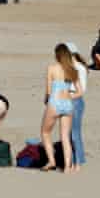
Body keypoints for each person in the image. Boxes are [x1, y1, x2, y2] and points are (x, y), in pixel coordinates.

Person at [39, 44, 78, 172]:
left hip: (55, 102)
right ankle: (67, 167)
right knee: (65, 137)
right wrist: (70, 96)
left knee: (45, 132)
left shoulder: (52, 68)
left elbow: (49, 91)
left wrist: (46, 101)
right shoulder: (72, 70)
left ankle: (51, 161)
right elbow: (79, 91)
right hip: (68, 103)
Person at [66, 42, 88, 172]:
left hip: (75, 100)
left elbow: (81, 89)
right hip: (71, 100)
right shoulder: (74, 67)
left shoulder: (78, 68)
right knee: (69, 133)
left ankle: (77, 163)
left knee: (75, 133)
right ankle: (73, 161)